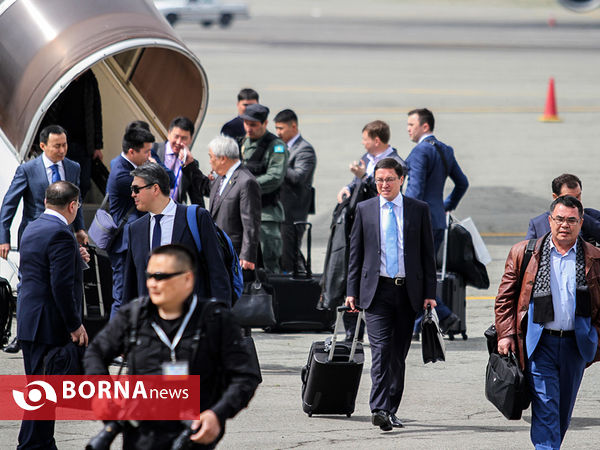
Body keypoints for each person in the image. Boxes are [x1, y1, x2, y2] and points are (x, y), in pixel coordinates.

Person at [84, 244, 260, 449]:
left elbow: (246, 375)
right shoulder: (133, 316)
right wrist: (105, 394)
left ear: (187, 279)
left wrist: (217, 414)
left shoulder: (215, 319)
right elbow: (95, 353)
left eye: (161, 276)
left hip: (192, 434)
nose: (152, 284)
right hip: (141, 435)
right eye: (149, 276)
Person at [495, 195, 600, 449]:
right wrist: (506, 334)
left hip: (577, 345)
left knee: (562, 413)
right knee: (545, 409)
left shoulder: (594, 257)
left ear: (581, 222)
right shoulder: (525, 252)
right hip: (540, 344)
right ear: (550, 220)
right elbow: (504, 299)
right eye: (560, 219)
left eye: (571, 220)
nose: (565, 225)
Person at [345, 158, 437, 431]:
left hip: (407, 291)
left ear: (401, 180)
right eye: (379, 179)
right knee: (382, 351)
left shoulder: (418, 210)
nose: (383, 184)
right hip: (376, 291)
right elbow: (355, 254)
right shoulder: (365, 209)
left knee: (398, 355)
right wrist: (351, 291)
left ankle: (391, 409)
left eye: (389, 179)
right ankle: (379, 408)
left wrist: (430, 293)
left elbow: (427, 255)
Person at [0, 125, 88, 353]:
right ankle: (24, 334)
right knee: (30, 282)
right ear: (42, 146)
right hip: (34, 236)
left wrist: (79, 229)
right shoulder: (28, 169)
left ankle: (66, 326)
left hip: (63, 234)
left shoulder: (73, 167)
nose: (62, 150)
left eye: (65, 144)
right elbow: (10, 203)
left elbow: (75, 201)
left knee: (64, 281)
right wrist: (4, 237)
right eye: (57, 145)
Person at [17, 181, 89, 450]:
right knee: (42, 392)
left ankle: (40, 443)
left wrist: (74, 255)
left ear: (47, 202)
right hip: (47, 324)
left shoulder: (32, 228)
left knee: (39, 391)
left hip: (29, 321)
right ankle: (33, 445)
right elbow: (59, 285)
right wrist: (74, 324)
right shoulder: (61, 233)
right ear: (72, 206)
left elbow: (39, 267)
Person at [123, 162, 231, 306]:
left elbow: (217, 272)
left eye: (136, 189)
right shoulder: (135, 229)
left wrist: (220, 316)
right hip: (149, 321)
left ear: (155, 188)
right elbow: (131, 284)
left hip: (191, 318)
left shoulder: (196, 218)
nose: (132, 194)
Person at [404, 108, 469, 253]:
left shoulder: (420, 151)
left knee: (413, 270)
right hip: (438, 219)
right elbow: (462, 183)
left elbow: (415, 189)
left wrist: (404, 216)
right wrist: (444, 206)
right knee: (429, 269)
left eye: (411, 125)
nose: (408, 129)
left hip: (419, 222)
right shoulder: (445, 149)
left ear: (425, 126)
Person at [106, 126, 155, 316]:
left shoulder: (126, 165)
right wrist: (155, 165)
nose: (150, 156)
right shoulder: (122, 174)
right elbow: (163, 181)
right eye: (147, 152)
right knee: (121, 296)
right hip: (124, 245)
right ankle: (113, 342)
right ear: (132, 151)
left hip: (131, 242)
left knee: (132, 295)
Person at [40, 69, 103, 200]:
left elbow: (96, 112)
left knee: (83, 183)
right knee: (58, 181)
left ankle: (72, 211)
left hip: (83, 143)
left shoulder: (90, 80)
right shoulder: (61, 76)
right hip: (59, 141)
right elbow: (48, 109)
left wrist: (97, 145)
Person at [240, 104, 288, 274]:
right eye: (246, 123)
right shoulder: (242, 143)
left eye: (253, 125)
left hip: (265, 215)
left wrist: (245, 187)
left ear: (264, 123)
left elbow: (275, 177)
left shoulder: (275, 146)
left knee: (269, 263)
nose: (249, 128)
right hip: (243, 214)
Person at [207, 135, 261, 273]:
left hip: (235, 254)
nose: (210, 161)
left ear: (223, 158)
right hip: (218, 251)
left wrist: (247, 255)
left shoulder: (246, 182)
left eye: (211, 157)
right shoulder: (220, 178)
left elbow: (251, 222)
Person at [274, 109, 317, 274]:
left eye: (281, 128)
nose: (278, 132)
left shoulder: (305, 150)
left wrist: (278, 164)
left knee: (288, 257)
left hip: (293, 215)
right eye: (276, 128)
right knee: (283, 255)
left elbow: (298, 177)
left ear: (293, 126)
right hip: (279, 212)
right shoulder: (279, 146)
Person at [336, 120, 406, 204]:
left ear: (376, 141)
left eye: (365, 140)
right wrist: (348, 188)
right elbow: (357, 181)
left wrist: (364, 176)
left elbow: (389, 190)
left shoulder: (397, 164)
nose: (363, 143)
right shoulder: (366, 157)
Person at [526, 173, 600, 244]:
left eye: (578, 197)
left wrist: (584, 217)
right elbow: (527, 251)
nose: (575, 202)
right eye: (569, 198)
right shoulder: (538, 224)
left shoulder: (593, 217)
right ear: (555, 197)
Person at [153, 116, 210, 207]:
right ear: (169, 134)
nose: (179, 142)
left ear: (190, 139)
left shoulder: (191, 164)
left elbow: (196, 197)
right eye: (176, 136)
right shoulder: (153, 150)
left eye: (184, 138)